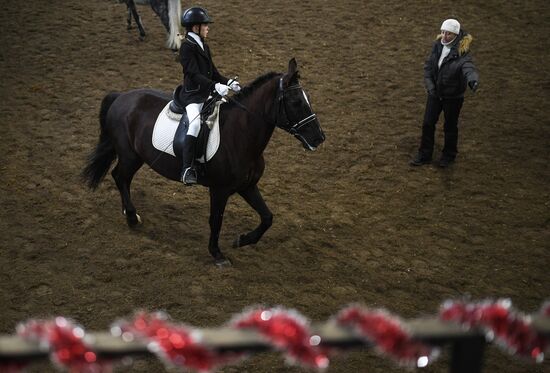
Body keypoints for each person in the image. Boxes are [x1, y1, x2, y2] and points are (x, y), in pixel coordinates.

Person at [177, 6, 241, 185]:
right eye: (205, 25)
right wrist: (215, 86)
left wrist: (227, 82)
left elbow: (212, 71)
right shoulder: (186, 48)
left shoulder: (204, 46)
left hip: (207, 93)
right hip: (192, 97)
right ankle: (187, 168)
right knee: (195, 124)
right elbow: (194, 74)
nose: (208, 28)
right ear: (195, 27)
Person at [410, 18, 479, 168]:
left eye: (448, 34)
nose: (444, 36)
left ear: (455, 35)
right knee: (428, 124)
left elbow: (469, 69)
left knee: (450, 126)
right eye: (442, 32)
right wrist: (431, 88)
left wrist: (473, 80)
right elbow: (428, 68)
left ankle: (448, 156)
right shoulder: (437, 46)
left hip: (453, 97)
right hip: (435, 94)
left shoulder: (463, 54)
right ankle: (424, 154)